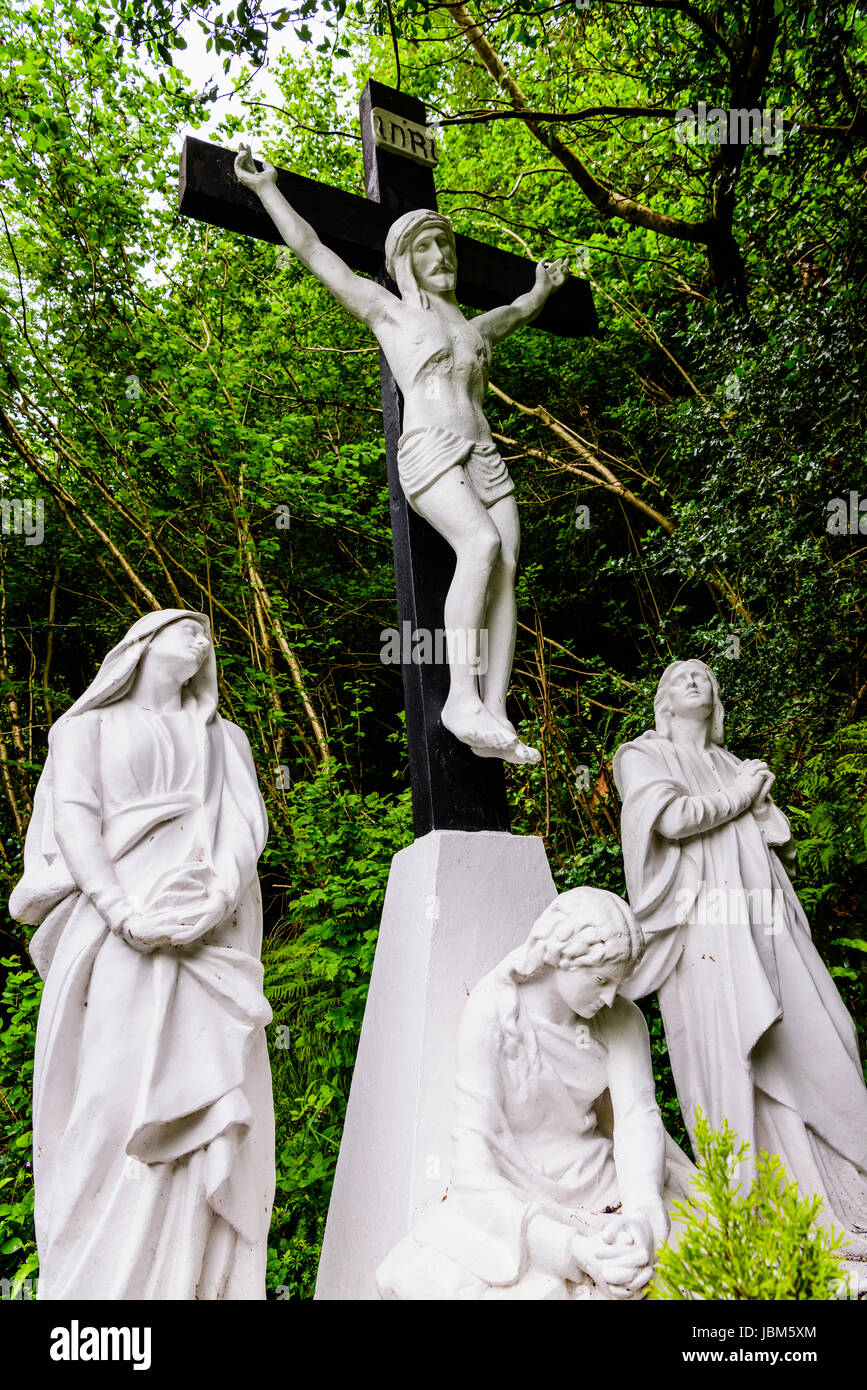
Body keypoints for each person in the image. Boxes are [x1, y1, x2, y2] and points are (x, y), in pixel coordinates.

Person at [235, 144, 568, 764]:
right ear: (402, 261)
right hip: (432, 450)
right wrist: (268, 191)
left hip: (483, 451)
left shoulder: (471, 326)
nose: (440, 256)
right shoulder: (388, 313)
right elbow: (313, 251)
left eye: (445, 246)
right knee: (481, 547)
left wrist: (543, 288)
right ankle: (459, 697)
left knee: (507, 569)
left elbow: (518, 310)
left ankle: (494, 706)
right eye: (424, 248)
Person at [9, 610, 275, 1299]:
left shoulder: (228, 741)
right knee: (110, 1098)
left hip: (205, 942)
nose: (203, 641)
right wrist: (124, 912)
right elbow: (74, 822)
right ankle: (94, 1289)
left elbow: (245, 830)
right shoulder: (83, 730)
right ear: (141, 646)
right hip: (117, 939)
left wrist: (212, 905)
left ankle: (191, 1282)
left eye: (209, 636)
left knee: (210, 1098)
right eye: (187, 630)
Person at [614, 658, 867, 1269]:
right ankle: (774, 1220)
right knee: (739, 1057)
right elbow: (668, 820)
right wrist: (744, 794)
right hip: (704, 933)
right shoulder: (640, 756)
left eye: (703, 675)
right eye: (678, 677)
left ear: (717, 701)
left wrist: (750, 793)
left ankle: (846, 1198)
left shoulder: (735, 764)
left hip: (770, 926)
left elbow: (771, 837)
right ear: (663, 703)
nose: (693, 680)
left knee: (831, 1034)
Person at [376, 887, 694, 1300]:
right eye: (601, 980)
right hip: (516, 1196)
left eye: (619, 983)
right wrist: (570, 1251)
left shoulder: (622, 1019)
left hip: (603, 1184)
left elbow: (637, 1119)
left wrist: (642, 1214)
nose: (610, 997)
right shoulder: (492, 1011)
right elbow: (473, 1158)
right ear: (560, 955)